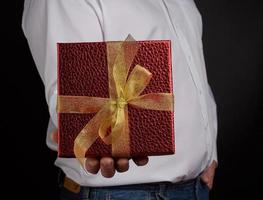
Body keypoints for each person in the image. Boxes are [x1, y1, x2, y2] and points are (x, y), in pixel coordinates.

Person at [22, 0, 218, 199]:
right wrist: (92, 143)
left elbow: (192, 67)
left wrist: (210, 153)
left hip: (197, 186)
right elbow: (73, 97)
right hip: (122, 192)